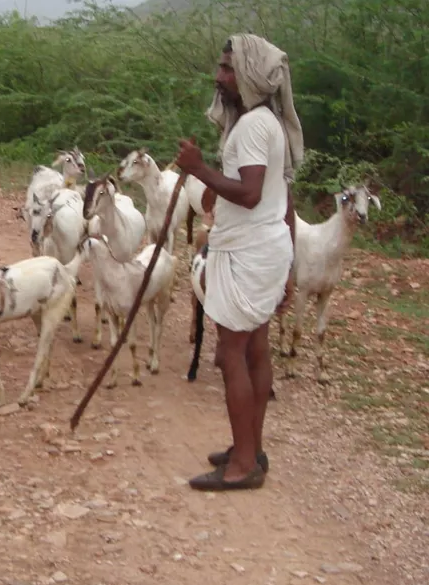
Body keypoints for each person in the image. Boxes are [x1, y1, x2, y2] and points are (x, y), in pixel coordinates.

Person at [175, 33, 302, 491]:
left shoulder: (251, 127)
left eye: (228, 68)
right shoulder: (267, 122)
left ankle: (243, 464)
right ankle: (251, 446)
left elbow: (249, 194)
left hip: (247, 252)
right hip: (266, 248)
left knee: (232, 353)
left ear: (249, 75)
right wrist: (288, 264)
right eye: (221, 66)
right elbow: (278, 194)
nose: (219, 76)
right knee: (256, 350)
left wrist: (197, 168)